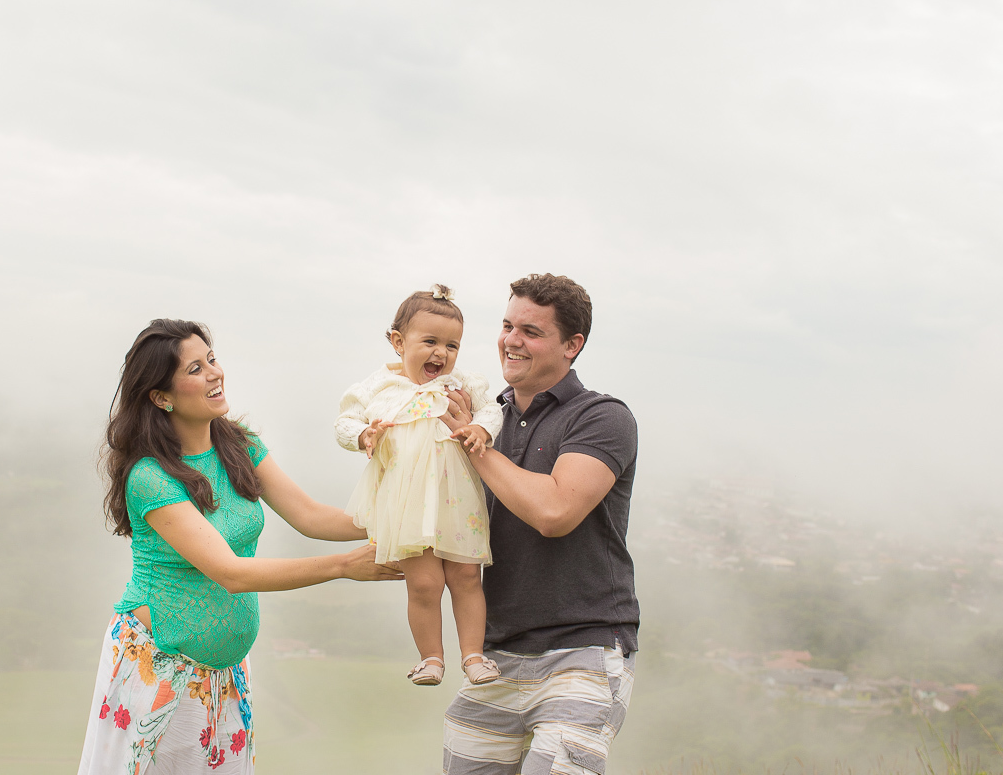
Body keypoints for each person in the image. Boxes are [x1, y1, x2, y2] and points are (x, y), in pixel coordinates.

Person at [78, 319, 403, 775]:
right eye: (195, 368)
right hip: (158, 669)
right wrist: (344, 565)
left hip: (225, 675)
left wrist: (404, 522)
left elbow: (311, 516)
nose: (214, 373)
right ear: (161, 396)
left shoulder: (240, 445)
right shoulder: (150, 477)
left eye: (211, 359)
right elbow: (230, 573)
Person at [441, 274, 639, 775]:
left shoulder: (602, 416)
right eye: (507, 326)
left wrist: (473, 442)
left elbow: (555, 513)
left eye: (530, 331)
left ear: (573, 345)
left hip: (583, 649)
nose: (511, 340)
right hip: (495, 655)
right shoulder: (487, 418)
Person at [335, 285, 504, 687]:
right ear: (398, 342)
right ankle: (431, 658)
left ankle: (474, 656)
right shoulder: (376, 388)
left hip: (457, 497)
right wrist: (363, 436)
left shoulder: (461, 384)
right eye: (430, 341)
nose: (441, 354)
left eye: (452, 345)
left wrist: (480, 427)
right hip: (407, 503)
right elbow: (343, 423)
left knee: (465, 577)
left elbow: (491, 410)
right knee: (424, 582)